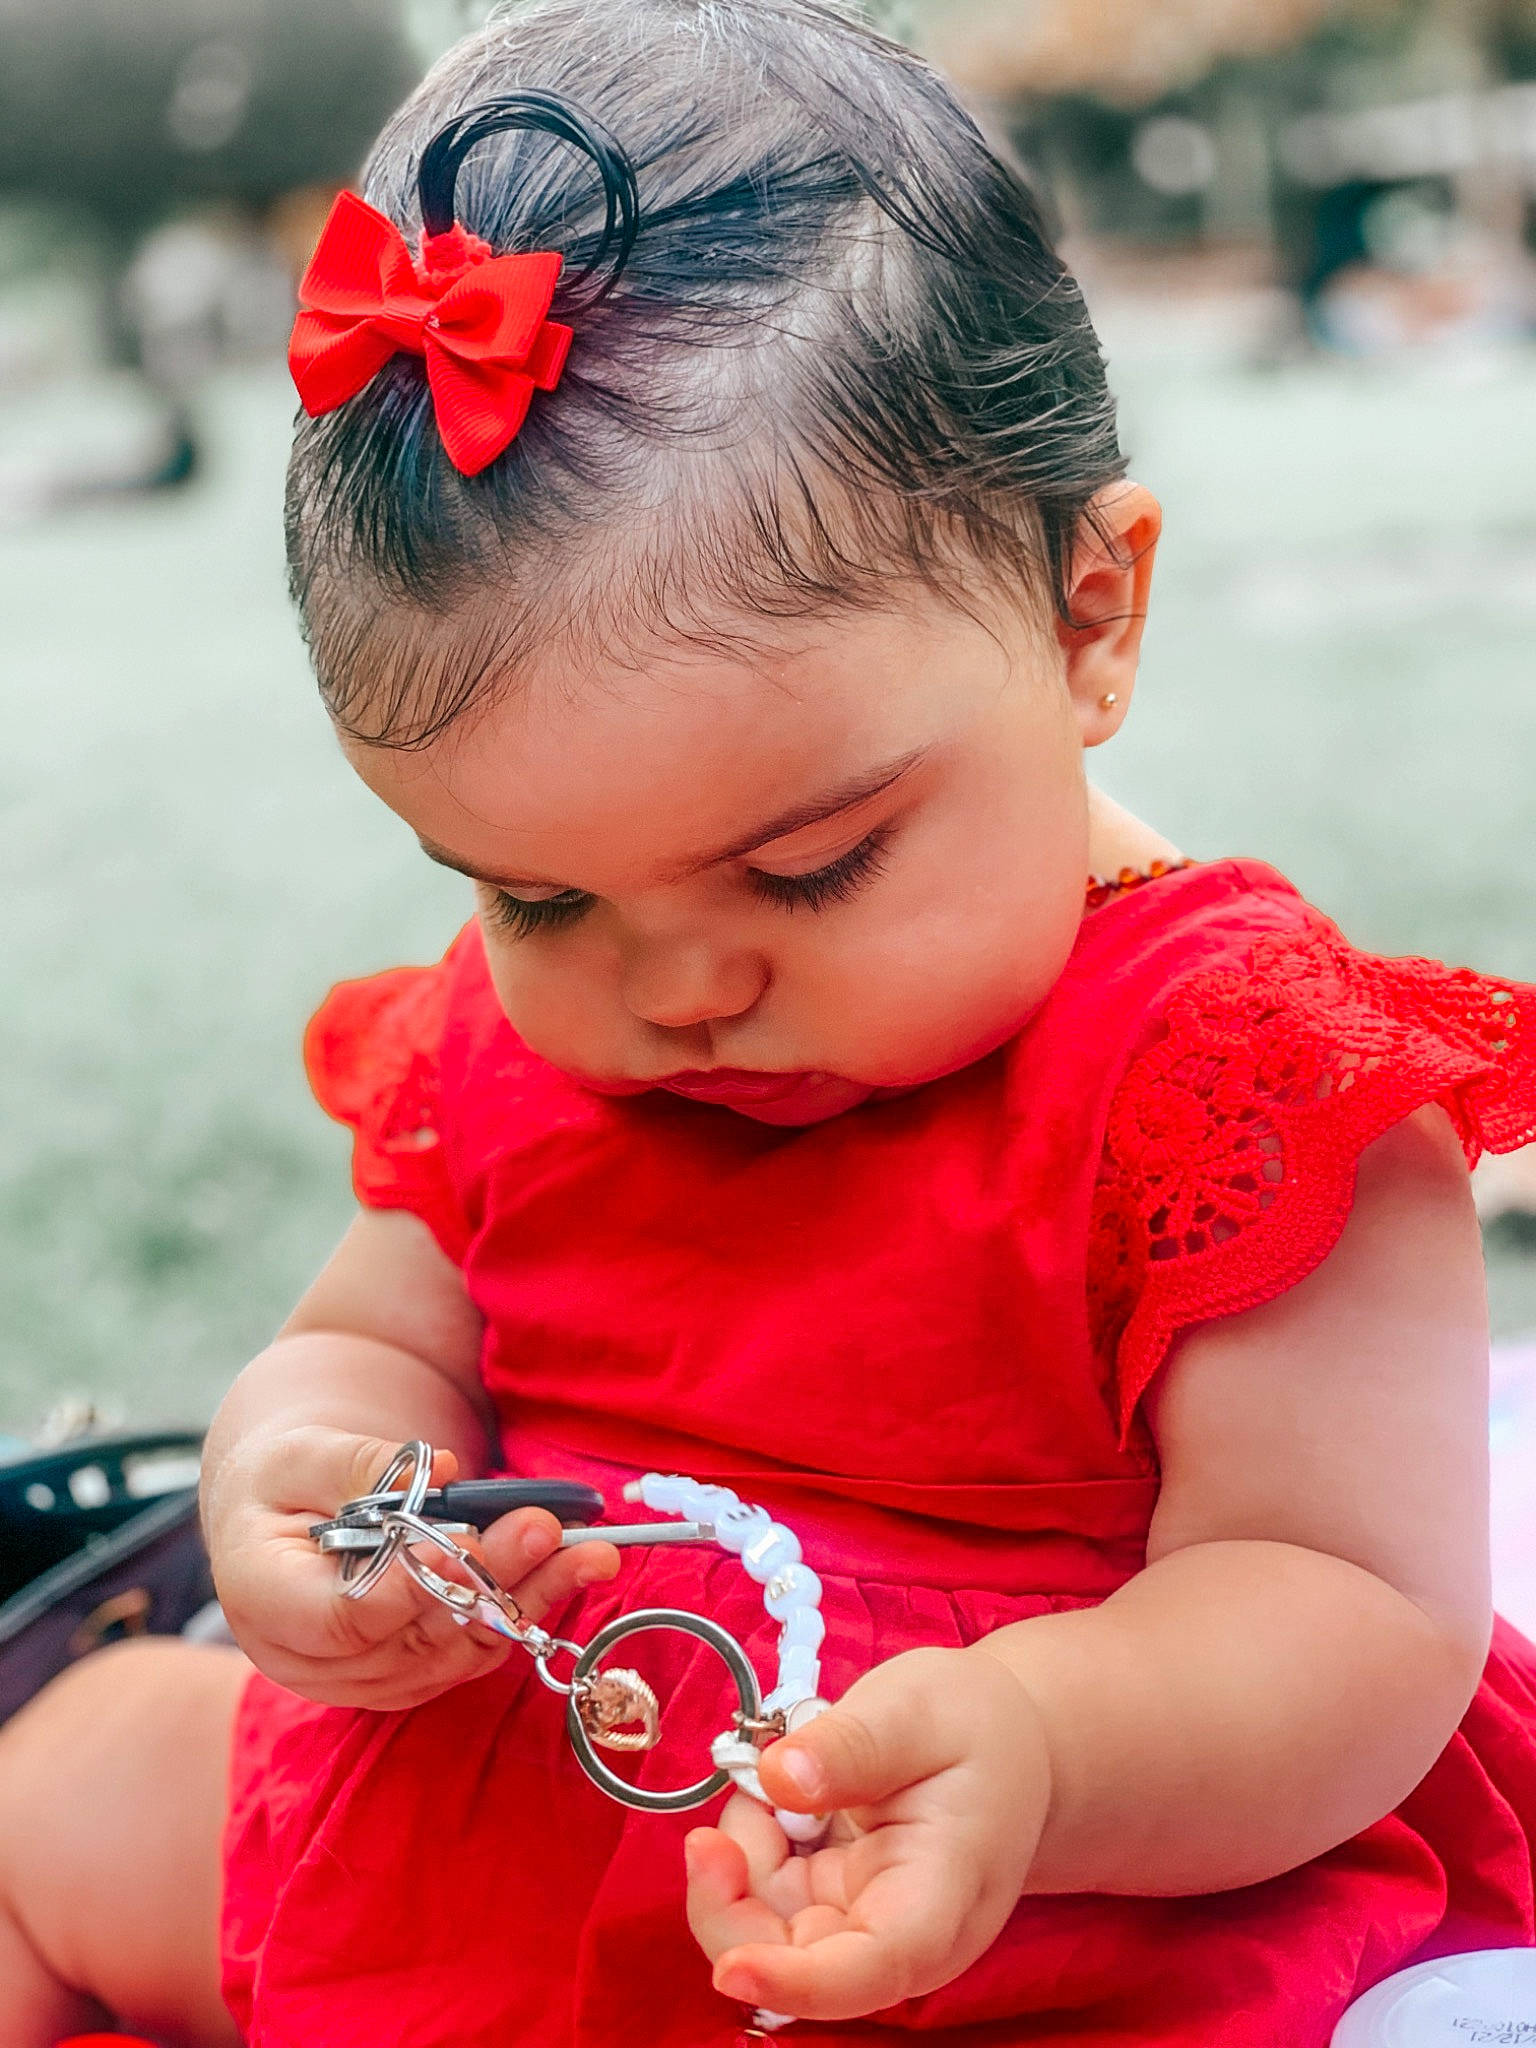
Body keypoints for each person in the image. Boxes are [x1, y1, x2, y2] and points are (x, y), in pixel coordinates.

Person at [4, 1, 1536, 2042]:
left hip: (1001, 1897)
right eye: (537, 893)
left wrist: (1045, 1750)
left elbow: (1350, 1610)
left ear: (1090, 620)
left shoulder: (1230, 1074)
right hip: (468, 1828)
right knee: (51, 1777)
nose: (677, 986)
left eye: (807, 868)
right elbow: (377, 1332)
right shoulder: (513, 1047)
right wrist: (299, 1490)